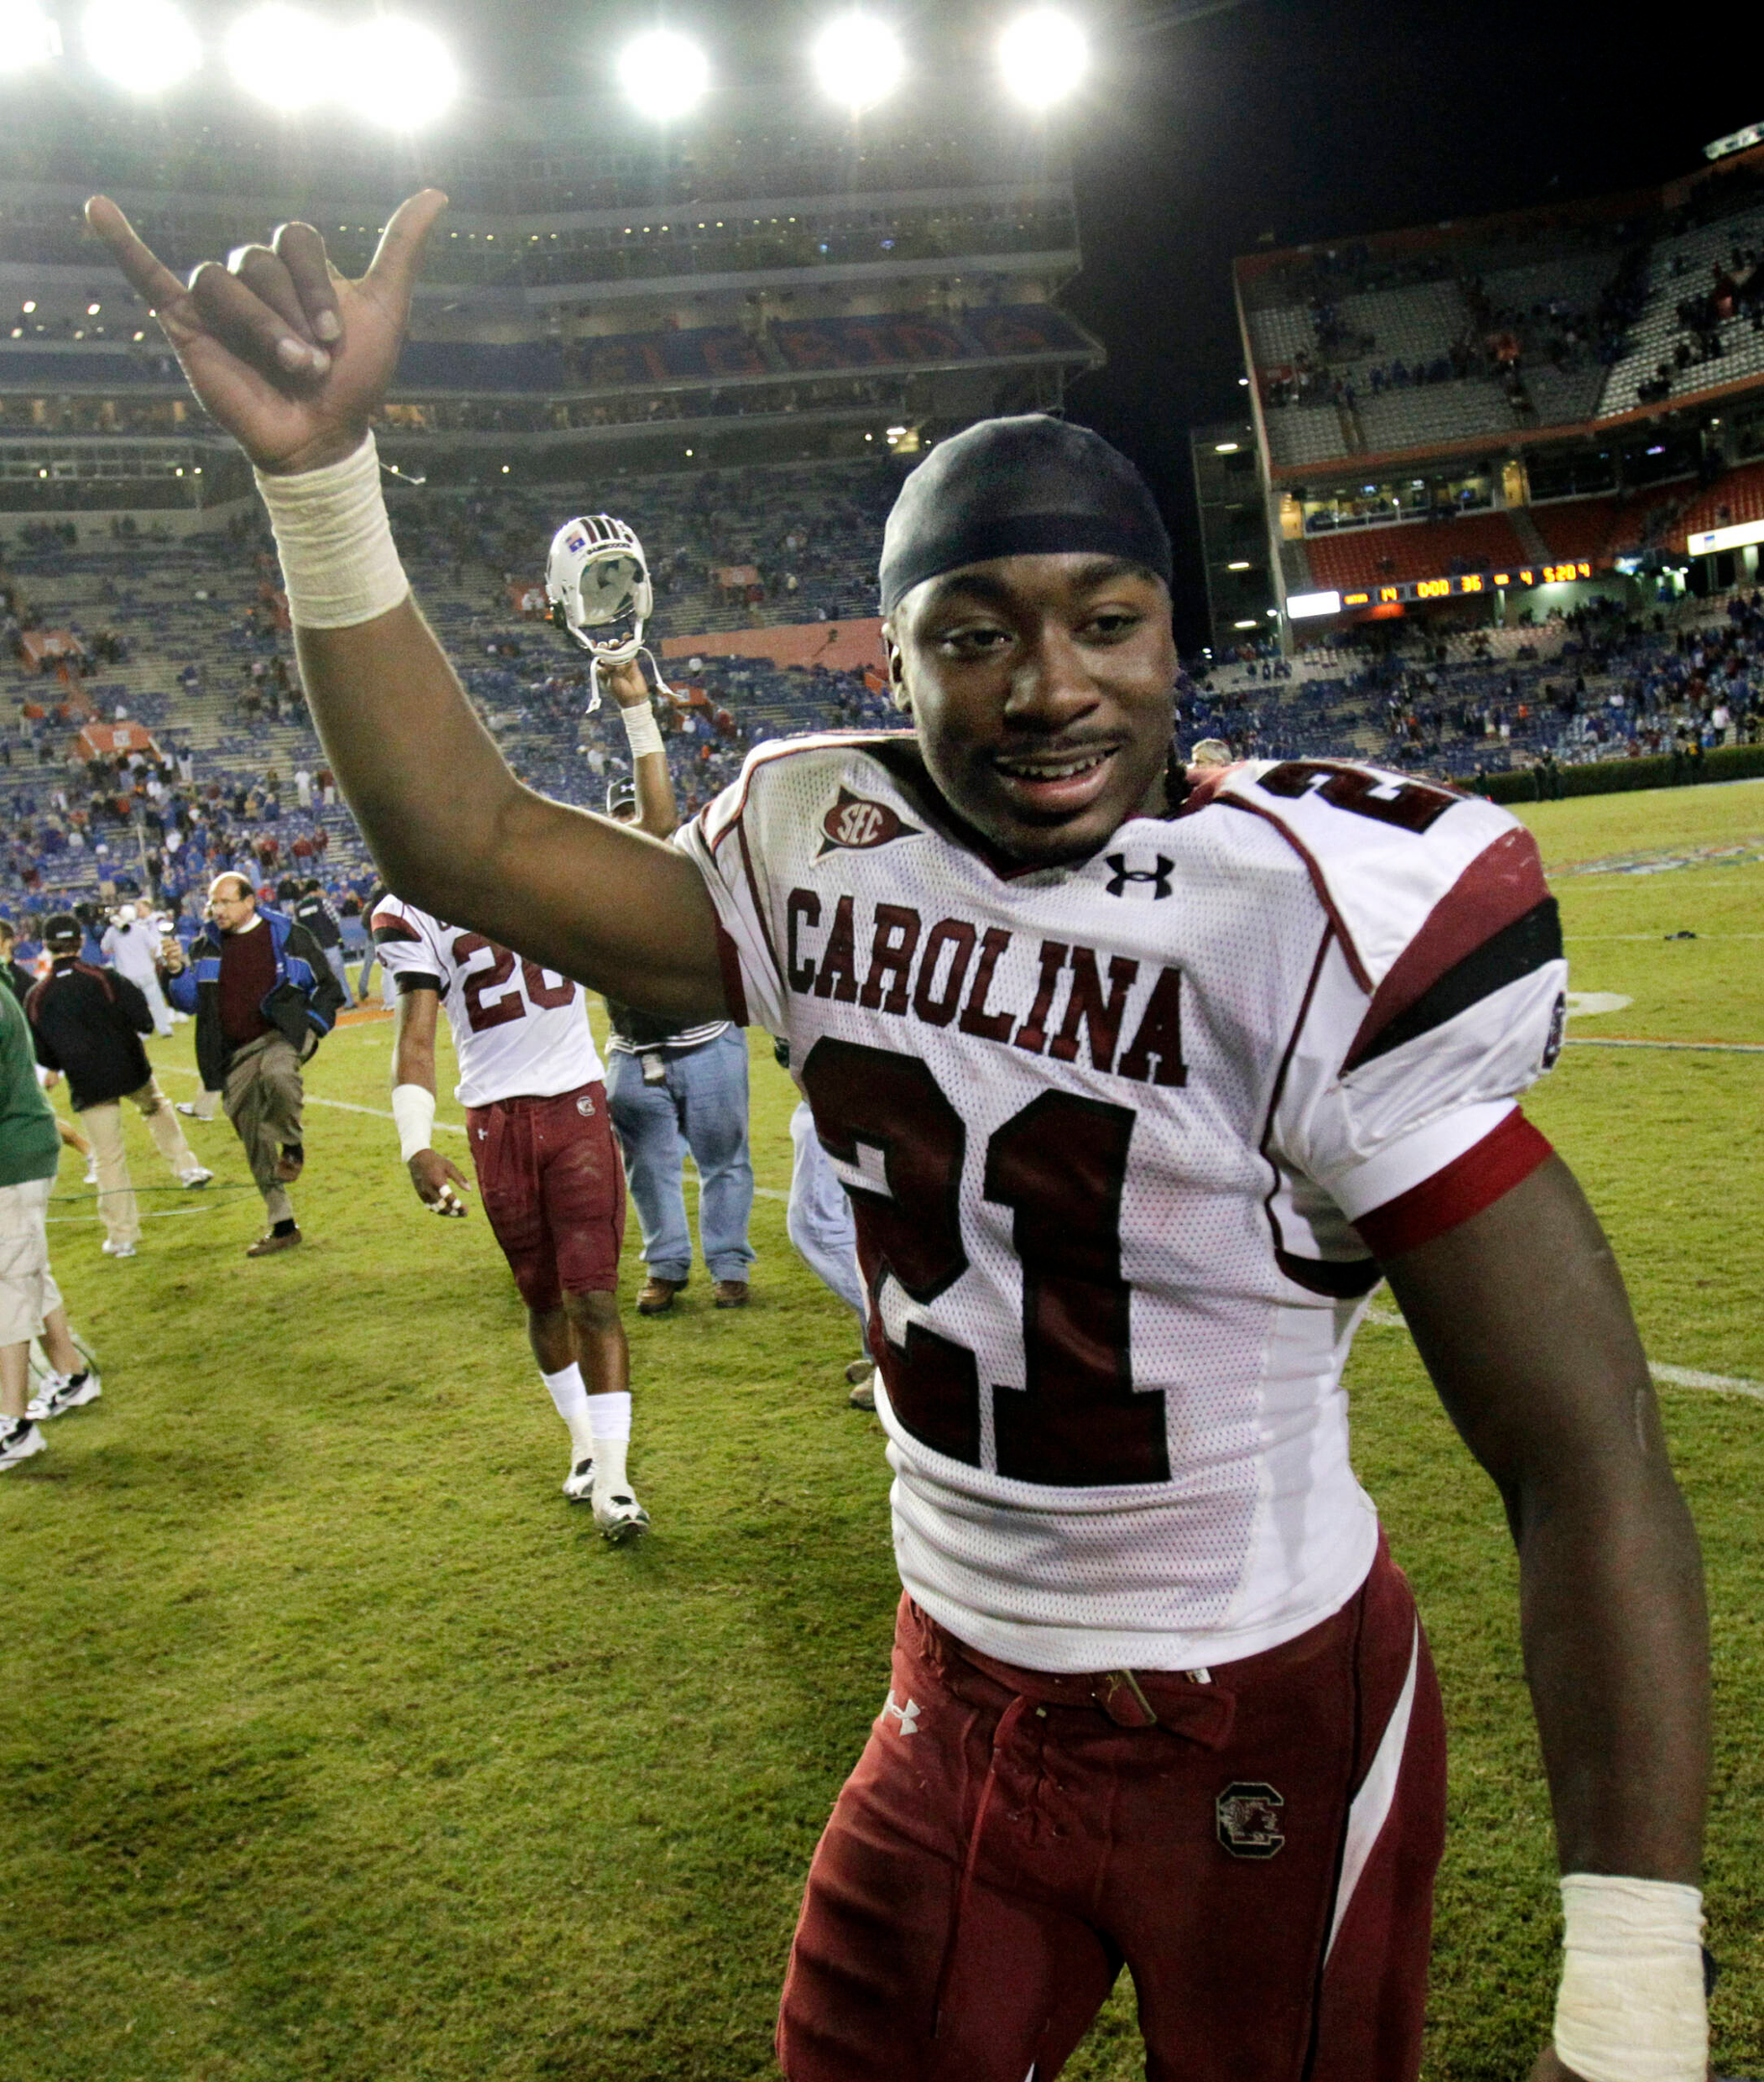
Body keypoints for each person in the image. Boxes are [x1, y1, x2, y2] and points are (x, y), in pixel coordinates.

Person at [92, 194, 1714, 2082]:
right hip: (952, 1703)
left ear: (1173, 633)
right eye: (974, 637)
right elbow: (465, 845)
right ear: (894, 665)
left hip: (1261, 1714)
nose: (1047, 686)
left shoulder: (1312, 914)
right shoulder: (814, 847)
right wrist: (325, 486)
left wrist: (1631, 1974)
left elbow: (1583, 1446)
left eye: (1105, 624)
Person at [368, 658, 671, 1542]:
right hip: (495, 1119)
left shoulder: (535, 864)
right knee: (541, 1300)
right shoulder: (409, 910)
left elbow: (653, 831)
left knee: (596, 1298)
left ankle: (617, 1481)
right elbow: (417, 1036)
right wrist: (414, 1143)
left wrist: (639, 711)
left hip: (573, 1104)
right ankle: (583, 1448)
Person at [602, 774, 757, 1315]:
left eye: (636, 812)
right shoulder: (598, 891)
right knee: (646, 1166)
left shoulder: (699, 875)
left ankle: (729, 1266)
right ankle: (665, 1265)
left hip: (707, 1042)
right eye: (621, 815)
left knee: (725, 1161)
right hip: (630, 1048)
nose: (631, 826)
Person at [157, 871, 343, 1257]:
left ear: (249, 901)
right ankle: (283, 1224)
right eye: (213, 903)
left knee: (278, 1075)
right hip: (233, 1052)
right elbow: (191, 1002)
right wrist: (175, 971)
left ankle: (292, 1144)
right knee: (253, 1136)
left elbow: (329, 988)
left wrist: (312, 1026)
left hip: (281, 1034)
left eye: (225, 902)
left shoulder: (290, 936)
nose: (216, 909)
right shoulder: (205, 945)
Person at [25, 913, 211, 1259]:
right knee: (156, 1108)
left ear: (47, 947)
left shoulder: (38, 996)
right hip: (129, 1067)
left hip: (88, 1083)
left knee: (109, 1158)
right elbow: (142, 1017)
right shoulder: (105, 978)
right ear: (81, 942)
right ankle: (187, 1169)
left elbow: (44, 1054)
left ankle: (123, 1237)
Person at [0, 970, 99, 1470]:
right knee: (26, 1268)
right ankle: (71, 1375)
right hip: (21, 1150)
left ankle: (14, 1426)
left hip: (12, 1158)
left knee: (8, 1284)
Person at [100, 899, 175, 1035]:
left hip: (127, 975)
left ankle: (142, 1032)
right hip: (146, 971)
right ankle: (165, 1029)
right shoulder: (141, 929)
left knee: (135, 1005)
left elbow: (104, 948)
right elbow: (153, 947)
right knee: (156, 1002)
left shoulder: (113, 931)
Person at [291, 876, 354, 1009]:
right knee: (338, 974)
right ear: (317, 889)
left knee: (320, 978)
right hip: (329, 943)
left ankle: (326, 1006)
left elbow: (297, 929)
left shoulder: (298, 908)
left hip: (312, 949)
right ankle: (347, 1001)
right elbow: (336, 919)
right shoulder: (323, 903)